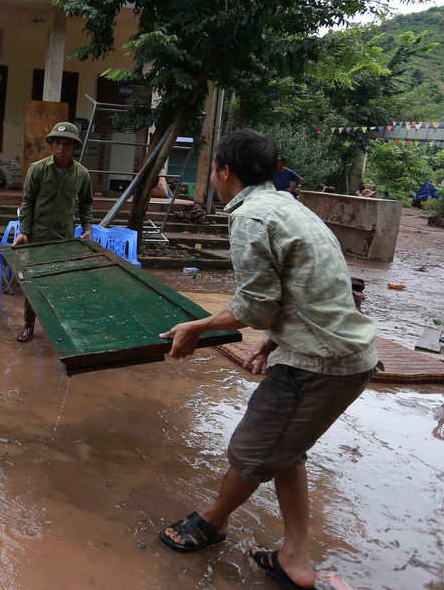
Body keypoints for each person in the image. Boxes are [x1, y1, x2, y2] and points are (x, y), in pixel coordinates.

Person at [157, 129, 378, 590]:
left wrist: (196, 328)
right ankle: (295, 558)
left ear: (224, 172)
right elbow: (309, 287)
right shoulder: (291, 207)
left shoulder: (251, 219)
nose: (214, 176)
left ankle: (212, 522)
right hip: (336, 356)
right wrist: (275, 340)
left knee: (251, 452)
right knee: (286, 452)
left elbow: (255, 306)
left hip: (316, 366)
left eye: (214, 169)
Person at [12, 121, 94, 342]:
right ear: (52, 144)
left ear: (74, 146)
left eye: (67, 144)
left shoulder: (82, 174)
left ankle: (59, 329)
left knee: (60, 284)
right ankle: (29, 327)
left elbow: (86, 204)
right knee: (33, 284)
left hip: (63, 239)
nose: (61, 148)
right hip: (37, 237)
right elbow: (27, 202)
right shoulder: (37, 169)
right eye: (57, 142)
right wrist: (23, 231)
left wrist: (87, 229)